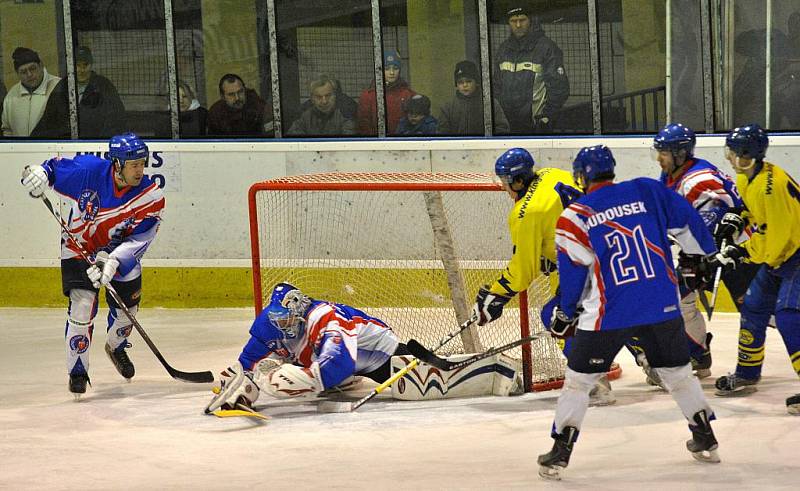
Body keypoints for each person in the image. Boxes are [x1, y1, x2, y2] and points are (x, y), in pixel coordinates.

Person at [537, 145, 720, 480]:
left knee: (579, 383)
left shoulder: (574, 216)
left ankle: (560, 452)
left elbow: (574, 275)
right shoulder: (648, 190)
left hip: (609, 313)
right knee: (679, 374)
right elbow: (689, 223)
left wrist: (564, 313)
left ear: (582, 177)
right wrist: (704, 254)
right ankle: (705, 437)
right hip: (661, 305)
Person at [20, 133, 165, 398]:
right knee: (83, 304)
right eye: (133, 164)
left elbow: (141, 240)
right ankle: (77, 369)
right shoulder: (89, 172)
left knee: (127, 309)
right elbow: (52, 169)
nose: (139, 170)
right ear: (117, 164)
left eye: (142, 163)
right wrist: (40, 174)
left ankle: (116, 345)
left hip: (117, 255)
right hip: (79, 247)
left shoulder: (150, 197)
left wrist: (112, 261)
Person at [644, 123, 760, 383]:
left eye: (664, 153)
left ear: (680, 154)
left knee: (762, 311)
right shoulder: (673, 176)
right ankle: (697, 353)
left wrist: (699, 257)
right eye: (658, 152)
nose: (659, 158)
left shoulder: (698, 180)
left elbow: (719, 221)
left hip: (736, 254)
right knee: (679, 297)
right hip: (708, 254)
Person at [707, 123, 800, 415]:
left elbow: (776, 240)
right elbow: (755, 212)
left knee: (787, 317)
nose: (729, 157)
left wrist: (741, 251)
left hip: (794, 256)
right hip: (780, 257)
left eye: (733, 153)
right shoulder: (749, 177)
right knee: (753, 308)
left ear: (747, 154)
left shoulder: (770, 186)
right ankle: (748, 373)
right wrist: (738, 215)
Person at [205, 283, 407, 412]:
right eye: (279, 321)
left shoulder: (324, 316)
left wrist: (302, 381)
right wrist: (245, 383)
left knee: (425, 384)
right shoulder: (269, 322)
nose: (283, 326)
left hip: (382, 356)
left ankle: (344, 380)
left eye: (287, 320)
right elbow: (248, 362)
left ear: (299, 308)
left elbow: (339, 362)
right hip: (350, 364)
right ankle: (344, 382)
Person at [494, 5, 568, 134]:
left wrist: (547, 116)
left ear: (531, 21)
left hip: (536, 125)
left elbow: (559, 87)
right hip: (507, 125)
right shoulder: (503, 49)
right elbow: (496, 85)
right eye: (513, 21)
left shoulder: (546, 48)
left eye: (522, 20)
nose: (518, 25)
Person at [32, 46, 126, 139]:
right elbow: (48, 120)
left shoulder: (104, 86)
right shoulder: (62, 86)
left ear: (91, 65)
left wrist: (101, 144)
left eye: (85, 65)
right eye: (77, 65)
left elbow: (116, 120)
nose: (81, 70)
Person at [438, 60, 510, 135]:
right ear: (456, 85)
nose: (465, 85)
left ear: (476, 82)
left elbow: (502, 129)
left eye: (468, 81)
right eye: (460, 82)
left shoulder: (490, 104)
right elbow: (442, 133)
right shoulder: (448, 108)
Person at [1, 47, 60, 136]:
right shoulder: (11, 96)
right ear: (17, 73)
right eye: (23, 72)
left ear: (41, 65)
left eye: (32, 68)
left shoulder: (58, 87)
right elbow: (7, 130)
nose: (29, 74)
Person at [356, 49, 416, 136]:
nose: (391, 73)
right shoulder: (368, 96)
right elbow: (364, 125)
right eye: (387, 69)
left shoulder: (408, 95)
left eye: (395, 68)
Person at [286, 74, 355, 136]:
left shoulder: (345, 113)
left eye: (328, 95)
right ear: (312, 99)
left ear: (335, 96)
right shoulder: (304, 116)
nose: (324, 101)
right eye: (319, 97)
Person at [206, 73, 273, 137]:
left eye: (240, 92)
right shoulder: (215, 114)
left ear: (245, 90)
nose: (237, 98)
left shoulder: (259, 107)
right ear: (222, 97)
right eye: (231, 94)